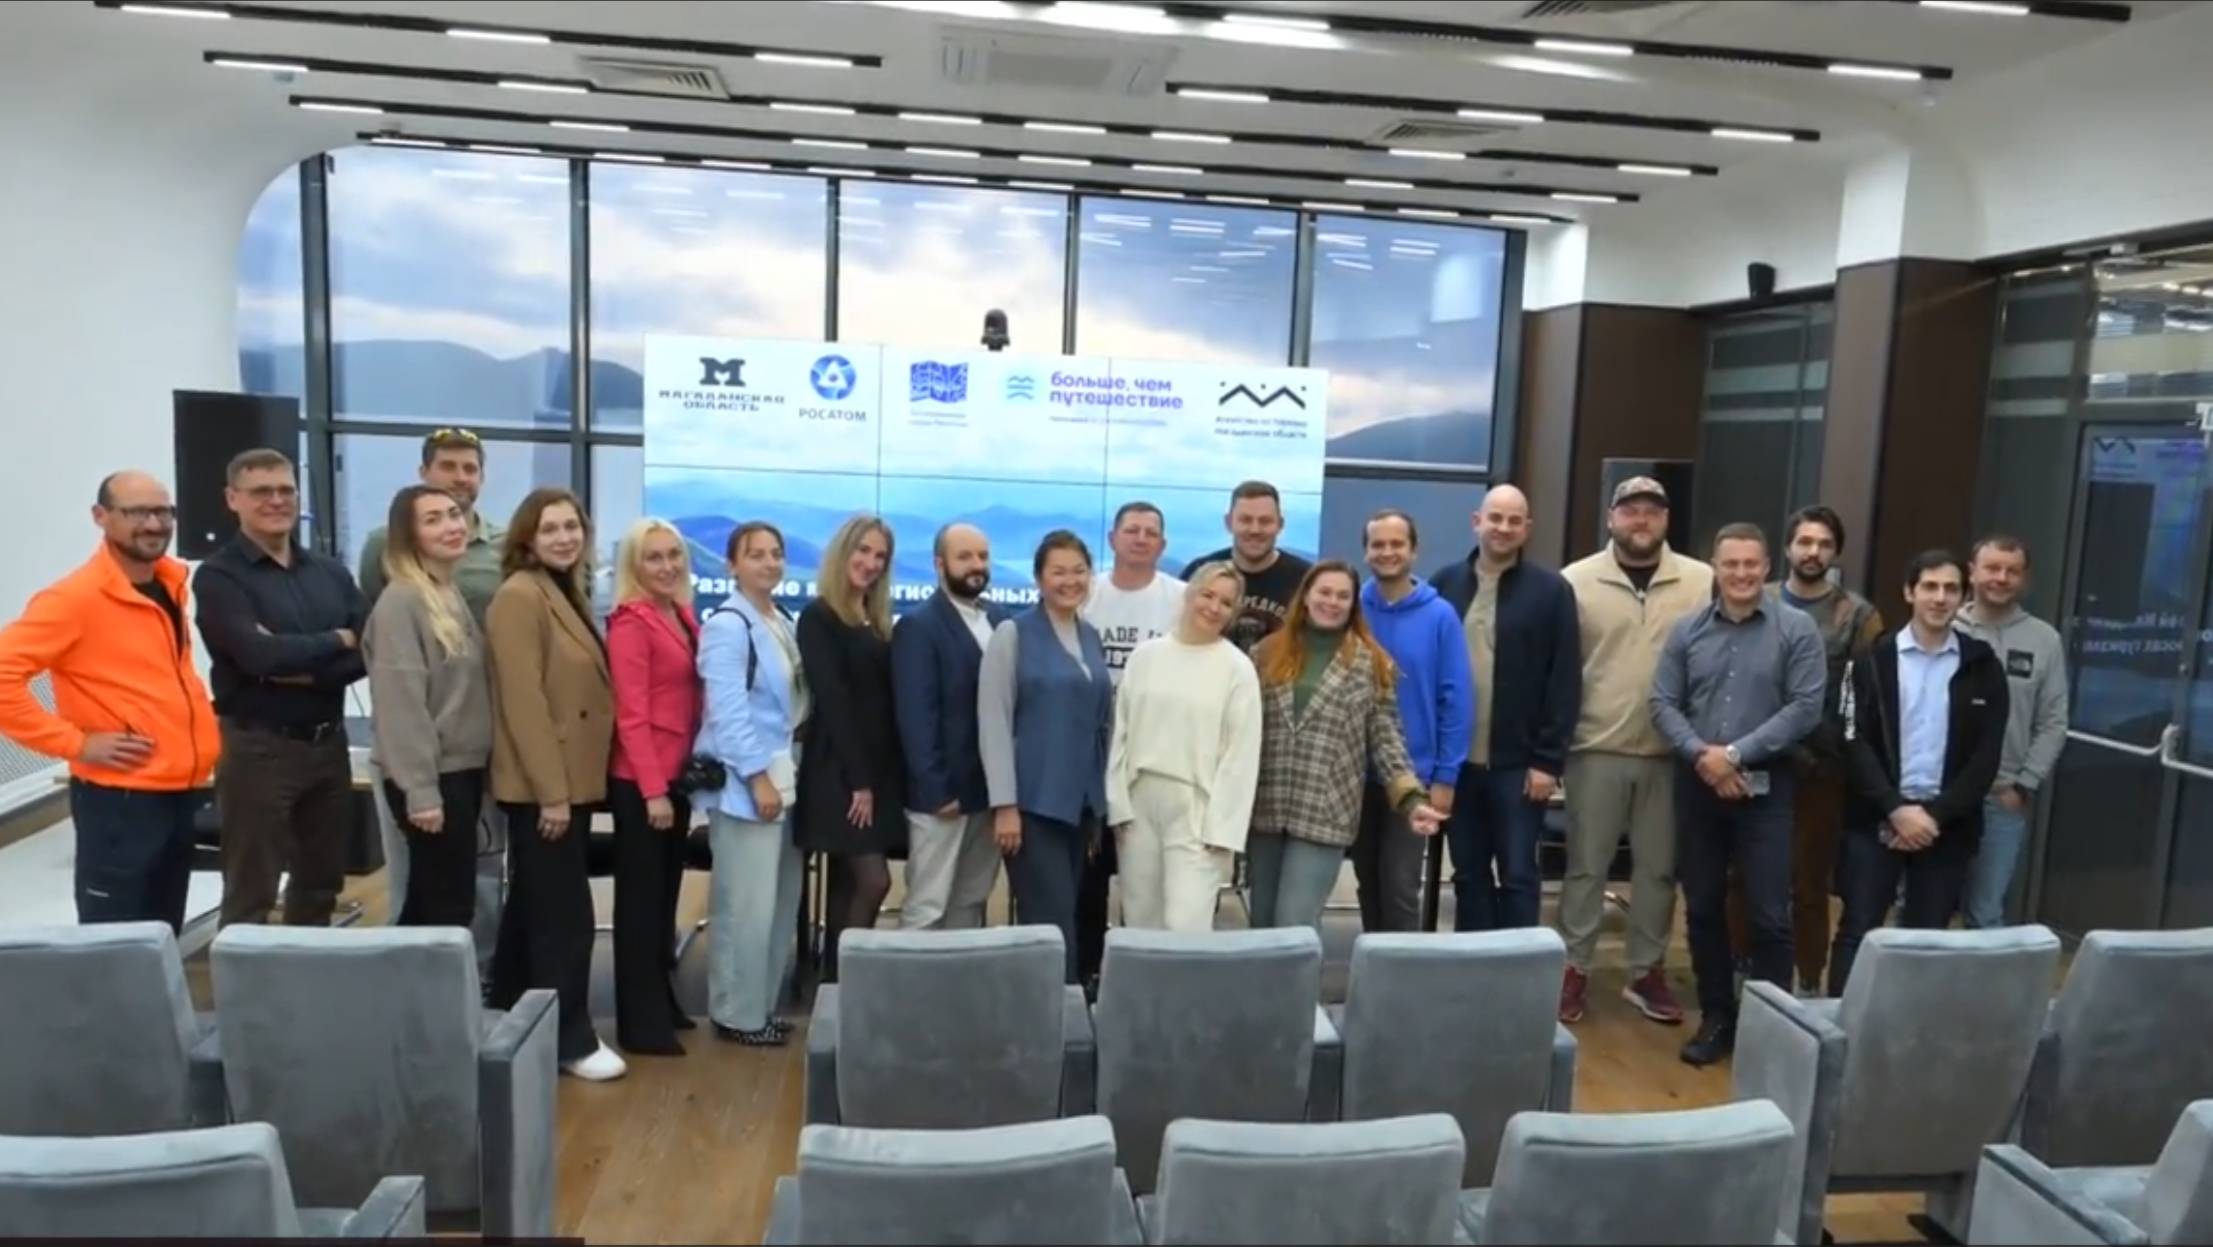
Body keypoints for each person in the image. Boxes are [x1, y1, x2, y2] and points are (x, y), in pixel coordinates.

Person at [0, 471, 219, 931]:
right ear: (101, 517)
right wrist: (77, 744)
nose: (154, 524)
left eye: (162, 512)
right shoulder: (73, 599)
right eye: (137, 512)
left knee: (160, 934)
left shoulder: (168, 584)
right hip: (120, 801)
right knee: (113, 939)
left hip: (178, 792)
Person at [1651, 523, 1826, 1067]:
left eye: (1751, 564)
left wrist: (1735, 754)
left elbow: (1805, 708)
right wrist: (1705, 757)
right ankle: (1717, 1017)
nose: (1742, 574)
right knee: (1703, 907)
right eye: (1731, 564)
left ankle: (1770, 1030)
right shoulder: (1687, 630)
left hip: (1767, 788)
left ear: (1767, 567)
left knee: (1770, 912)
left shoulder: (1797, 629)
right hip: (1698, 784)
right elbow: (1662, 703)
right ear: (1715, 567)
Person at [1558, 477, 1715, 1026]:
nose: (1640, 520)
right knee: (1586, 868)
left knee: (1658, 871)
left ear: (1666, 519)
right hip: (1594, 746)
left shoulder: (1701, 581)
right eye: (1630, 510)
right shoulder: (1575, 581)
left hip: (1672, 753)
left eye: (1652, 510)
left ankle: (1645, 971)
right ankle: (1574, 966)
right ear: (1611, 518)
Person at [193, 449, 366, 929]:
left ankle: (304, 973)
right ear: (233, 499)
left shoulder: (329, 572)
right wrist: (336, 639)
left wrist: (304, 668)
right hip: (259, 750)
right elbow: (258, 657)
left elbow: (368, 647)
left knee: (321, 884)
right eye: (261, 491)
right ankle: (243, 980)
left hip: (328, 746)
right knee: (252, 890)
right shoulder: (219, 577)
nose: (277, 500)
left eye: (286, 489)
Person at [484, 488, 623, 1082]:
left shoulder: (562, 590)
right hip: (546, 789)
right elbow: (525, 704)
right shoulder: (520, 597)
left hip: (570, 782)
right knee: (564, 918)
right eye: (551, 529)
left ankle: (509, 1016)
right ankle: (569, 1038)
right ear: (527, 537)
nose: (565, 537)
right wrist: (552, 794)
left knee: (531, 909)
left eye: (572, 527)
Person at [1830, 550, 2009, 993]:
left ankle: (1911, 1029)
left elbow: (1986, 756)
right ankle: (1838, 1025)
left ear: (1963, 597)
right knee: (1858, 931)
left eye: (1951, 589)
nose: (1940, 598)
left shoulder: (1984, 666)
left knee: (1927, 942)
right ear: (1909, 592)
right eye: (1929, 587)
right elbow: (1851, 738)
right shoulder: (1865, 660)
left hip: (1945, 826)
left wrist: (1933, 817)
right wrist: (1895, 809)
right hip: (1876, 819)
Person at [358, 428, 507, 959]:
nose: (451, 525)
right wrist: (421, 792)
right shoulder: (403, 601)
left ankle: (428, 1001)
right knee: (436, 909)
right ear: (409, 536)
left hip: (461, 771)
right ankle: (411, 1006)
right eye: (433, 519)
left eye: (453, 516)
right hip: (430, 778)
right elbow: (402, 705)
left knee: (446, 902)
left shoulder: (446, 594)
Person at [1729, 506, 1884, 993]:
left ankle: (1808, 979)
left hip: (1822, 770)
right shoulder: (1759, 600)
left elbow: (1863, 697)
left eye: (1824, 544)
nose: (1813, 552)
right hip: (1754, 761)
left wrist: (1841, 755)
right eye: (1805, 542)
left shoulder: (1857, 616)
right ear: (1788, 548)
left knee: (1809, 882)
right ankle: (1741, 970)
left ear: (1835, 552)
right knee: (1744, 874)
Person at [1247, 561, 1445, 931]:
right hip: (1266, 808)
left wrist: (1411, 800)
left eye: (1343, 596)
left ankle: (1303, 975)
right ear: (1306, 596)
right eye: (1324, 592)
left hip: (1325, 811)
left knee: (1294, 923)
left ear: (1353, 605)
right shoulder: (1264, 654)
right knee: (1261, 923)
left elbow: (1387, 740)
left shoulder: (1371, 663)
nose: (1332, 602)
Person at [1431, 485, 1580, 932]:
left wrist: (1548, 761)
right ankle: (1473, 963)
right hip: (1457, 765)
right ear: (1476, 521)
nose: (1503, 527)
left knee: (1518, 874)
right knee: (1468, 874)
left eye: (1515, 520)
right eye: (1495, 517)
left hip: (1520, 766)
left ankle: (1520, 965)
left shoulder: (1552, 591)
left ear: (1527, 529)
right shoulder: (1443, 585)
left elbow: (1564, 679)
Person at [979, 531, 1115, 983]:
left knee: (1068, 916)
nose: (1069, 580)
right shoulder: (1012, 634)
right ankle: (1058, 1013)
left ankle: (1054, 1008)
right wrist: (1004, 805)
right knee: (1051, 923)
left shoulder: (1090, 636)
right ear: (1038, 579)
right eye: (1058, 572)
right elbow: (994, 721)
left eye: (1079, 571)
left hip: (1080, 808)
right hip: (1032, 808)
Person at [1105, 563, 1263, 932]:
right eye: (1207, 595)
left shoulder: (1237, 669)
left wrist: (1223, 831)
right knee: (1141, 920)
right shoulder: (1145, 656)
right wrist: (1118, 806)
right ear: (1189, 594)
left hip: (1198, 809)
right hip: (1139, 803)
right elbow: (1120, 734)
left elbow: (1241, 757)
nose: (1214, 607)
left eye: (1226, 602)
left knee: (1186, 926)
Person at [697, 522, 805, 1046]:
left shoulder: (779, 619)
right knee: (745, 906)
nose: (769, 563)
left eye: (776, 553)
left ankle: (760, 1005)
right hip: (748, 785)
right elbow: (728, 713)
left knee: (778, 901)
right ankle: (735, 1014)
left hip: (785, 780)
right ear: (732, 564)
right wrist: (758, 778)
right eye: (756, 554)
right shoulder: (727, 625)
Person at [605, 518, 703, 1056]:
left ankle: (661, 1002)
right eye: (654, 557)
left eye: (673, 555)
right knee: (640, 906)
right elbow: (631, 715)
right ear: (634, 566)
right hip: (644, 784)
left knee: (664, 901)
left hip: (677, 776)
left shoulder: (681, 614)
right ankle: (639, 1023)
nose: (667, 566)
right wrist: (651, 791)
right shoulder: (630, 623)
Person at [1079, 501, 1187, 982]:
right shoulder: (1085, 594)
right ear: (1112, 539)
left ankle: (1136, 980)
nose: (1141, 539)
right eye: (1131, 530)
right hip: (1089, 759)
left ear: (1163, 544)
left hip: (1151, 762)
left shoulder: (1181, 599)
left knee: (1145, 885)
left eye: (1150, 532)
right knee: (1087, 881)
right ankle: (1087, 977)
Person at [796, 515, 906, 983]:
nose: (870, 562)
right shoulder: (819, 617)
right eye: (863, 550)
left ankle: (834, 988)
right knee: (873, 880)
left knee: (846, 884)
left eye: (880, 556)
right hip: (840, 774)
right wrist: (859, 782)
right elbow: (835, 703)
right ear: (843, 551)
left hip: (876, 773)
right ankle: (847, 983)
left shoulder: (875, 620)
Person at [1354, 510, 1472, 932]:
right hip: (1356, 776)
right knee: (1368, 881)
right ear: (1366, 552)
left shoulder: (1440, 616)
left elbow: (1455, 700)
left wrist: (1445, 776)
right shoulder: (1352, 610)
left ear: (1414, 551)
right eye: (1378, 544)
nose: (1387, 552)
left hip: (1415, 778)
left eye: (1396, 544)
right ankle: (1373, 961)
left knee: (1400, 885)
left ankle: (1404, 967)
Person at [891, 523, 1009, 931]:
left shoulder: (999, 619)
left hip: (988, 793)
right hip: (942, 797)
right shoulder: (918, 626)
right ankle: (911, 976)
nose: (976, 565)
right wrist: (936, 789)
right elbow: (915, 716)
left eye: (982, 556)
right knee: (928, 905)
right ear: (939, 565)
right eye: (964, 557)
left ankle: (959, 975)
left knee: (971, 900)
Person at [1955, 536, 2068, 930]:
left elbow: (2053, 721)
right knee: (1920, 909)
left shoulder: (2044, 640)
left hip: (2000, 797)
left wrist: (2024, 784)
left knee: (1985, 915)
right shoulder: (1944, 627)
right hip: (1939, 795)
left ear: (2024, 579)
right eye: (1992, 568)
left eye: (2012, 571)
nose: (2001, 578)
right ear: (1972, 572)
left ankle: (1982, 978)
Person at [358, 428, 507, 619]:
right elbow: (371, 616)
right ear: (424, 472)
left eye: (470, 469)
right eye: (448, 467)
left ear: (482, 477)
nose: (460, 478)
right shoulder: (384, 542)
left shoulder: (506, 544)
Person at [1180, 480, 1312, 654]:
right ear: (1229, 522)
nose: (1255, 530)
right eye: (1246, 520)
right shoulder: (1199, 573)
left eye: (1265, 521)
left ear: (1280, 524)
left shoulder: (1306, 579)